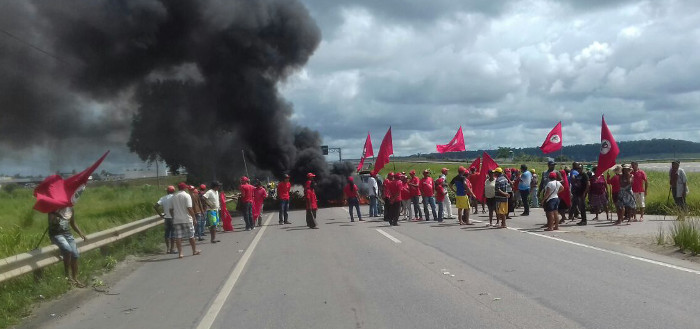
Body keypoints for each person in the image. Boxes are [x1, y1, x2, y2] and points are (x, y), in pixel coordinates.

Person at [48, 206, 87, 287]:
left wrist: (80, 233)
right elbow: (51, 222)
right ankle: (67, 276)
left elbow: (72, 223)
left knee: (75, 254)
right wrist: (56, 217)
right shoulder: (53, 209)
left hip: (67, 234)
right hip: (57, 234)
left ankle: (75, 278)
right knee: (67, 250)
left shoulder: (71, 209)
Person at [168, 183, 201, 259]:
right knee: (191, 236)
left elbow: (171, 209)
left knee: (178, 237)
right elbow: (189, 208)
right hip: (186, 219)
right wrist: (194, 218)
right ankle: (194, 250)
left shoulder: (173, 197)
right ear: (185, 188)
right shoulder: (187, 196)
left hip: (177, 220)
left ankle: (180, 253)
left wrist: (173, 217)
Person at [154, 186, 175, 253]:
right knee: (173, 234)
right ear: (173, 191)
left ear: (167, 191)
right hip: (173, 217)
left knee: (167, 234)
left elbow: (155, 206)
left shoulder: (163, 198)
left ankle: (168, 249)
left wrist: (160, 214)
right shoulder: (175, 198)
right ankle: (172, 249)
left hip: (166, 218)